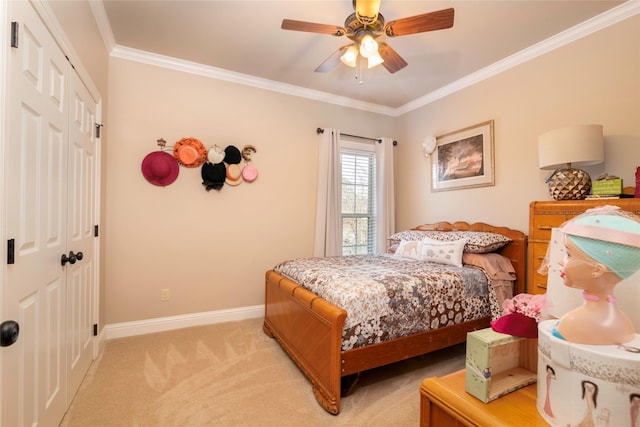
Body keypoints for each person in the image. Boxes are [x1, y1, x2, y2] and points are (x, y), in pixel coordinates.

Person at [552, 205, 640, 345]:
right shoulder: (625, 323)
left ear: (597, 270)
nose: (560, 261)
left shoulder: (573, 321)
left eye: (569, 254)